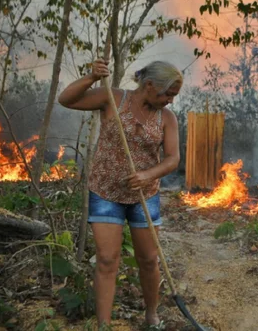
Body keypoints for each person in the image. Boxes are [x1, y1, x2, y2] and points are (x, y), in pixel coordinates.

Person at [58, 58, 182, 328]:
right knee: (106, 259)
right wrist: (91, 77)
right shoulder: (113, 98)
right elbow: (66, 99)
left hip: (144, 196)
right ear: (150, 85)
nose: (170, 101)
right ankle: (104, 324)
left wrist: (147, 175)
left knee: (148, 259)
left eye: (174, 96)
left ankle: (151, 314)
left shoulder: (167, 118)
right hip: (105, 192)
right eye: (168, 94)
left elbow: (173, 159)